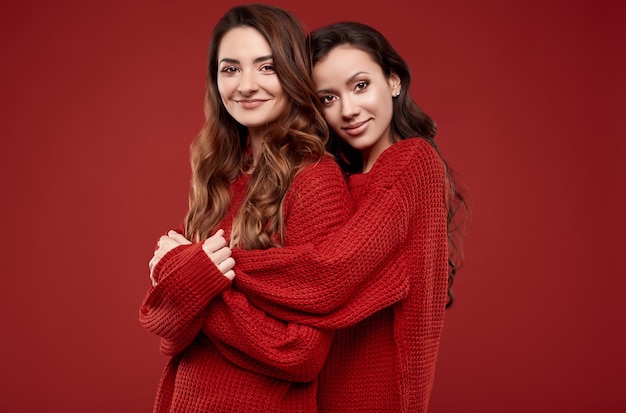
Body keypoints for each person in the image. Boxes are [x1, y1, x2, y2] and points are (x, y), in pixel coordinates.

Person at [203, 21, 468, 413]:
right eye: (327, 98)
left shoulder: (413, 162)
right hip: (319, 394)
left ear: (393, 81)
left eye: (360, 85)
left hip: (377, 395)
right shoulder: (339, 177)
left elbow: (330, 273)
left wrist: (203, 269)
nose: (348, 110)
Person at [139, 4, 356, 412]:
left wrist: (192, 283)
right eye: (230, 69)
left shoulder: (315, 181)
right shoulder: (220, 177)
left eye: (266, 67)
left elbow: (302, 353)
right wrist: (185, 286)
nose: (246, 85)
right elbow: (173, 336)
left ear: (293, 73)